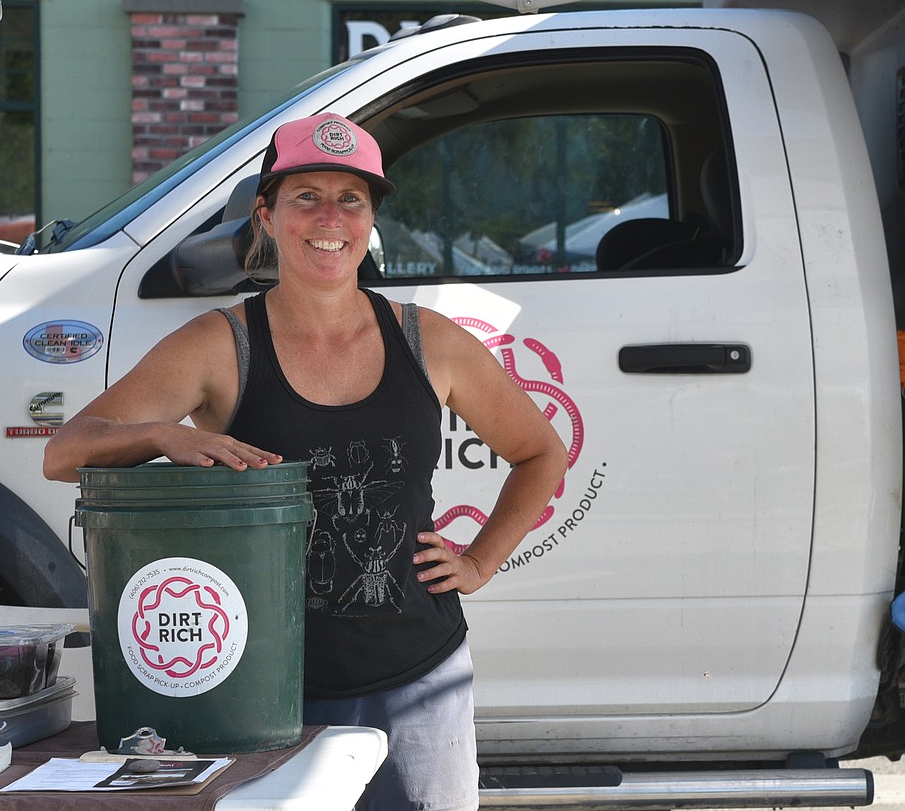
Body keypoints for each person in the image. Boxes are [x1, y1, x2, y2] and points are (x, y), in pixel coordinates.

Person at [43, 112, 568, 811]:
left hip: (419, 680)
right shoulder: (219, 344)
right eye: (306, 196)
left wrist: (477, 563)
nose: (330, 217)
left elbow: (540, 452)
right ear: (266, 214)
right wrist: (164, 437)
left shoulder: (429, 341)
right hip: (263, 694)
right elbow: (65, 452)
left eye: (351, 198)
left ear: (371, 217)